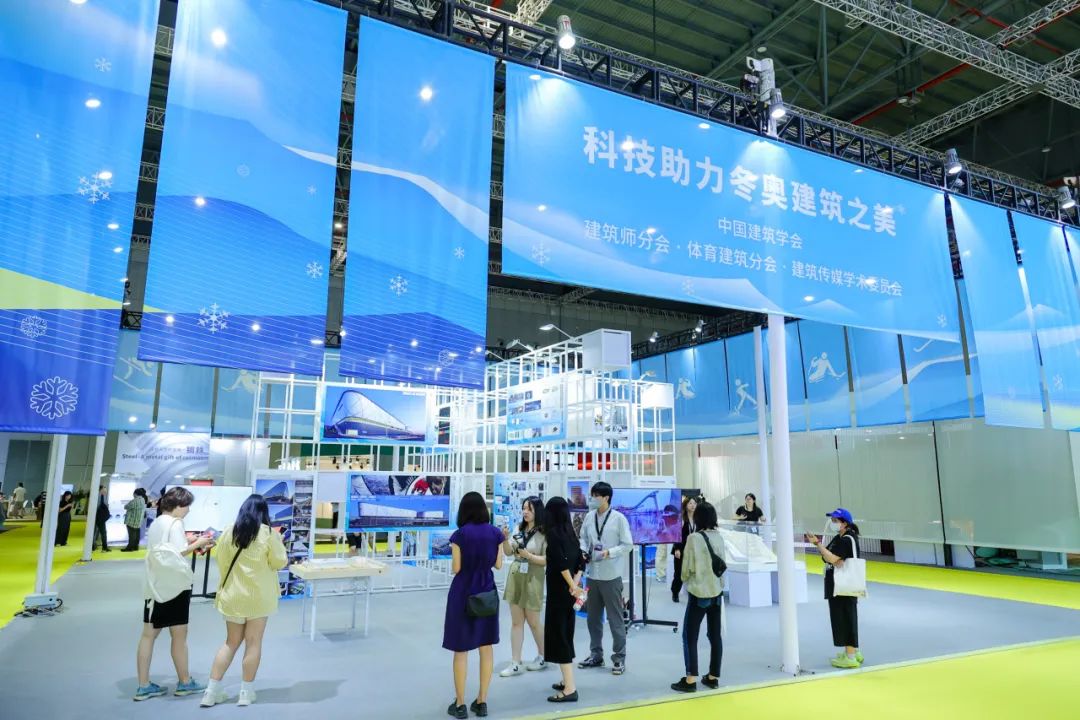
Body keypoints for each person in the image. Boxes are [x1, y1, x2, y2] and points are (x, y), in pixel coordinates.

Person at [201, 494, 288, 708]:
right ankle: (246, 693)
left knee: (230, 643)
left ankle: (210, 692)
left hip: (233, 596)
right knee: (253, 642)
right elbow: (279, 562)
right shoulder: (269, 534)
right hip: (259, 597)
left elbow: (221, 559)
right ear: (264, 512)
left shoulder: (229, 531)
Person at [134, 487, 213, 701]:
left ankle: (143, 685)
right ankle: (185, 682)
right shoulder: (176, 523)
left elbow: (165, 548)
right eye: (186, 506)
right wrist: (199, 543)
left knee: (148, 635)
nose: (188, 510)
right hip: (175, 587)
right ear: (178, 506)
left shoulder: (158, 521)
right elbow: (179, 552)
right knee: (179, 635)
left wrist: (188, 540)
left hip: (154, 585)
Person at [442, 491, 504, 719]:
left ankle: (460, 705)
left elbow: (456, 568)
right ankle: (482, 701)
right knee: (486, 646)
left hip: (463, 592)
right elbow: (498, 565)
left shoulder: (460, 535)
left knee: (461, 648)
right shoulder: (496, 533)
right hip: (487, 591)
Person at [577, 482, 633, 675]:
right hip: (592, 575)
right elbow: (583, 538)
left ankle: (619, 658)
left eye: (596, 496)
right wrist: (583, 550)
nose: (592, 499)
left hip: (611, 575)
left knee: (615, 619)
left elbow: (628, 545)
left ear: (606, 498)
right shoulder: (589, 517)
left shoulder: (619, 519)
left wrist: (609, 552)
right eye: (592, 495)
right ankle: (596, 655)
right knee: (593, 619)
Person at [671, 501, 725, 693]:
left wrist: (685, 579)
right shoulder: (719, 537)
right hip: (716, 592)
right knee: (715, 636)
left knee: (690, 636)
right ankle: (713, 677)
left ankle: (690, 679)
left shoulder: (694, 538)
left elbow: (686, 570)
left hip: (699, 593)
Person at [805, 508, 863, 669]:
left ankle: (850, 657)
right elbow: (828, 557)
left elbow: (831, 557)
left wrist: (818, 545)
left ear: (845, 523)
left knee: (846, 618)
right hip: (838, 584)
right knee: (844, 617)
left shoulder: (846, 540)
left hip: (843, 585)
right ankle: (852, 651)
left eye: (836, 521)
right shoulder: (840, 538)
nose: (833, 523)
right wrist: (830, 556)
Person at [499, 496, 547, 678]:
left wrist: (529, 556)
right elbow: (508, 551)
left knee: (534, 621)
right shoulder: (518, 528)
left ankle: (543, 656)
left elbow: (547, 559)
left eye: (529, 509)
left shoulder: (544, 533)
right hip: (516, 575)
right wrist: (504, 539)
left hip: (534, 577)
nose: (525, 512)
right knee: (516, 622)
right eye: (524, 508)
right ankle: (515, 662)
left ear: (537, 511)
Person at [544, 497, 585, 703]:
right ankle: (566, 680)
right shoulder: (571, 534)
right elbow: (581, 562)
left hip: (559, 594)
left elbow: (561, 564)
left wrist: (572, 585)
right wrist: (575, 585)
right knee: (566, 634)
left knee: (559, 637)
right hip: (569, 594)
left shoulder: (553, 535)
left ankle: (570, 688)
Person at [671, 495, 700, 603]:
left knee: (695, 572)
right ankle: (675, 592)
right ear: (686, 505)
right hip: (681, 549)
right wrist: (677, 549)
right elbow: (676, 535)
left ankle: (694, 594)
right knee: (679, 573)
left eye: (694, 503)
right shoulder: (681, 518)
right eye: (690, 503)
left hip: (694, 550)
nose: (693, 505)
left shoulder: (698, 518)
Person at [94, 485, 111, 552]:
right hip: (98, 517)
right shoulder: (98, 496)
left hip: (100, 518)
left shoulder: (103, 496)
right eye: (104, 489)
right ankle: (103, 548)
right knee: (101, 533)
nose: (106, 490)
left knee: (100, 532)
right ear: (101, 489)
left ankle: (102, 547)